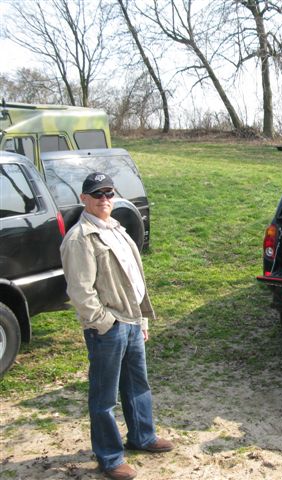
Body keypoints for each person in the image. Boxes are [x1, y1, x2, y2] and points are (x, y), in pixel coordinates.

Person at [60, 172, 173, 480]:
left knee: (138, 386)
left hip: (133, 320)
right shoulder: (79, 238)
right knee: (104, 397)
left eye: (109, 193)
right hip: (108, 327)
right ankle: (110, 457)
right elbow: (80, 291)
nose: (105, 199)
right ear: (85, 199)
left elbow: (134, 277)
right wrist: (104, 323)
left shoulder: (117, 229)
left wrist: (142, 318)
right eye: (97, 194)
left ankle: (142, 437)